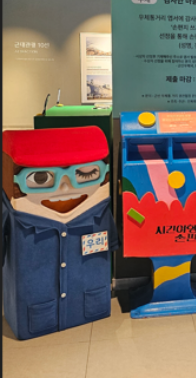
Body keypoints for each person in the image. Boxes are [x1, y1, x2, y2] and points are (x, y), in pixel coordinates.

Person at [2, 127, 119, 339]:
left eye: (86, 174)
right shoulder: (16, 214)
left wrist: (112, 243)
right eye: (40, 178)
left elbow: (109, 237)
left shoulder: (99, 212)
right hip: (36, 312)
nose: (65, 188)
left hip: (89, 302)